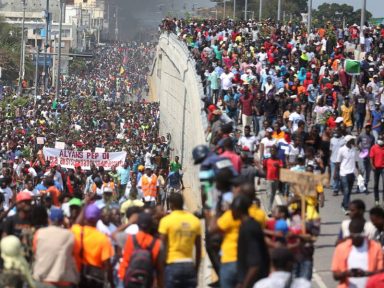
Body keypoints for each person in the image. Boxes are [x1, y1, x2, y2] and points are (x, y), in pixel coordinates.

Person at [158, 193, 201, 288]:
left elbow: (161, 247)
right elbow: (198, 249)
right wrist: (196, 269)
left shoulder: (166, 221)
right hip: (189, 265)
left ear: (171, 205)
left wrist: (160, 269)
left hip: (172, 265)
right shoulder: (195, 221)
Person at [71, 204, 115, 288]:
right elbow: (107, 265)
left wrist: (85, 207)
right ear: (98, 218)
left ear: (85, 217)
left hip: (77, 276)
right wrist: (112, 283)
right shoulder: (103, 238)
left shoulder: (76, 231)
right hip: (94, 280)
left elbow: (76, 223)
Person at [33, 208, 79, 286]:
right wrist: (67, 225)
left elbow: (35, 251)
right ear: (62, 220)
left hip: (41, 279)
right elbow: (74, 253)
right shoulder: (70, 235)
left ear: (49, 219)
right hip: (62, 280)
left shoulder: (39, 233)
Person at [332, 218, 383, 288]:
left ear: (364, 233)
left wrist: (366, 274)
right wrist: (347, 273)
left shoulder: (376, 247)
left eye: (358, 235)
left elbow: (381, 273)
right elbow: (335, 275)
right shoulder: (341, 248)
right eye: (352, 235)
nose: (355, 238)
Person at [231, 195, 269, 288]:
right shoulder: (251, 224)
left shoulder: (248, 228)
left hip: (254, 281)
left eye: (232, 209)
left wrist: (244, 285)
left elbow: (255, 263)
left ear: (238, 210)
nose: (231, 213)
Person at [118, 212, 164, 288]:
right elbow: (159, 270)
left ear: (137, 224)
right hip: (147, 282)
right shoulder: (157, 243)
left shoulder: (129, 238)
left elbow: (113, 235)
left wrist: (129, 223)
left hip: (126, 277)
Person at [335, 135, 360, 215]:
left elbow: (356, 162)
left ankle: (343, 204)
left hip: (352, 173)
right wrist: (336, 173)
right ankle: (346, 207)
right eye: (352, 140)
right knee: (346, 190)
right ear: (349, 141)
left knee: (348, 192)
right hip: (344, 173)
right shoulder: (341, 150)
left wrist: (358, 172)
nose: (354, 141)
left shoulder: (353, 149)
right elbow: (337, 162)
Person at [369, 133, 384, 206]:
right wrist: (372, 166)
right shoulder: (374, 148)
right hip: (376, 168)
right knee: (376, 184)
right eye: (380, 139)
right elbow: (371, 158)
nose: (381, 140)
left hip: (383, 167)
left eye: (382, 139)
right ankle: (376, 199)